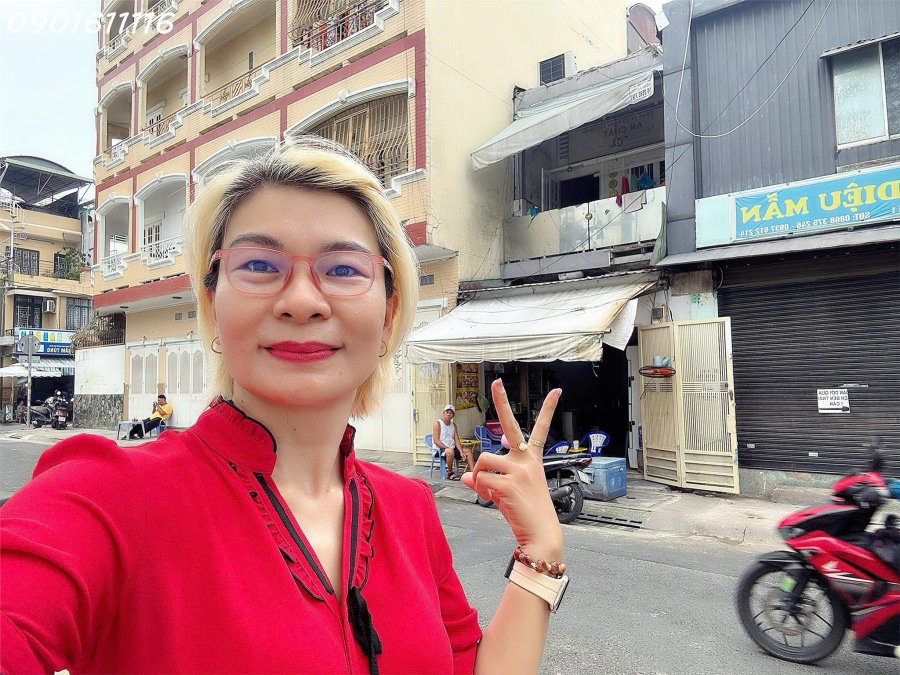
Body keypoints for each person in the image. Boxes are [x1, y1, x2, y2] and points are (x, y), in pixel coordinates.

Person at [0, 138, 566, 673]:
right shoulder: (106, 495)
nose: (301, 301)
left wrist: (540, 548)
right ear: (212, 303)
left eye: (343, 269)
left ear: (389, 312)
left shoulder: (409, 508)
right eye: (259, 266)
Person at [432, 404, 474, 480]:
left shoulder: (453, 425)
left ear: (453, 415)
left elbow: (456, 439)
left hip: (451, 447)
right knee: (450, 451)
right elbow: (436, 441)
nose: (449, 414)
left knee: (468, 451)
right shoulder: (437, 424)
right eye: (447, 412)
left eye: (451, 413)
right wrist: (447, 447)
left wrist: (461, 451)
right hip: (440, 449)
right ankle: (450, 473)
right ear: (443, 413)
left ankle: (473, 473)